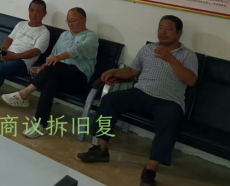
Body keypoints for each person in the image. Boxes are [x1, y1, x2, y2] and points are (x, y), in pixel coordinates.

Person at [77, 15, 198, 186]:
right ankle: (101, 149)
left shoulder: (188, 55)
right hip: (141, 93)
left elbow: (191, 80)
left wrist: (171, 59)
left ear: (179, 33)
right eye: (160, 27)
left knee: (170, 119)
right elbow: (132, 71)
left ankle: (150, 169)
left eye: (168, 29)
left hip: (169, 100)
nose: (163, 32)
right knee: (110, 100)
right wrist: (114, 71)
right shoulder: (148, 49)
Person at [2, 7, 98, 138]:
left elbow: (79, 49)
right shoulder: (64, 35)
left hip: (78, 79)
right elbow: (53, 55)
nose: (70, 24)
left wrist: (59, 58)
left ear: (84, 20)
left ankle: (24, 94)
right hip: (58, 75)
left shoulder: (91, 36)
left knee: (55, 67)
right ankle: (40, 125)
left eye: (73, 20)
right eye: (68, 21)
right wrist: (42, 67)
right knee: (50, 82)